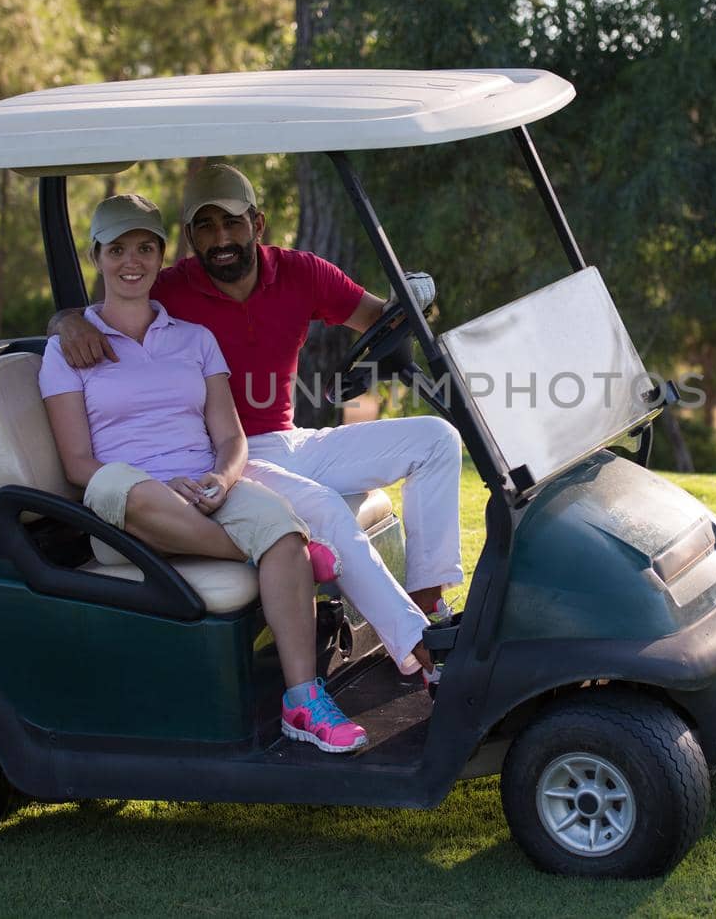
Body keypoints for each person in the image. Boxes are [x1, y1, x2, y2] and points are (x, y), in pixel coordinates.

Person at [53, 165, 462, 681]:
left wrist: (413, 305)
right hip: (228, 456)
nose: (220, 238)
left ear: (258, 223)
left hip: (291, 439)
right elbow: (108, 309)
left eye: (232, 222)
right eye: (205, 226)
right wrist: (62, 319)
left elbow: (381, 319)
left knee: (436, 439)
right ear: (189, 238)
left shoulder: (301, 272)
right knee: (326, 509)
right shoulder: (172, 290)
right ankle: (423, 652)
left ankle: (427, 601)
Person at [40, 193, 390, 753]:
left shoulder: (194, 339)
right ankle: (273, 549)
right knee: (260, 535)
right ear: (96, 255)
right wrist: (161, 487)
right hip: (126, 512)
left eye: (146, 249)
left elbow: (230, 439)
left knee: (274, 522)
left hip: (205, 489)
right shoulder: (70, 348)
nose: (132, 261)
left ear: (161, 257)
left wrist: (223, 481)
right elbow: (78, 464)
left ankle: (302, 702)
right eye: (118, 249)